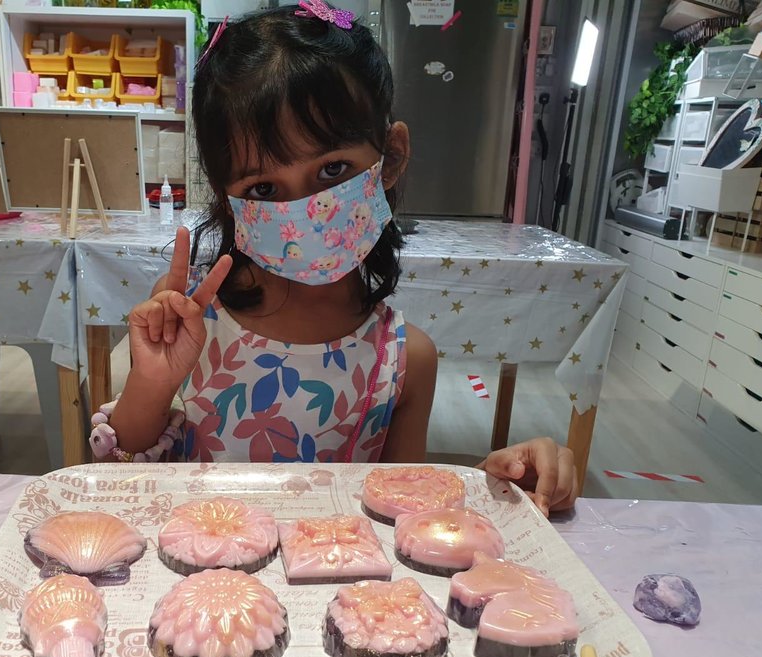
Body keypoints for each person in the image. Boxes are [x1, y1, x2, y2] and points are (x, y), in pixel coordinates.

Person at [91, 5, 577, 515]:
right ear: (226, 198)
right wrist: (151, 383)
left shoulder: (405, 360)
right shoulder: (187, 320)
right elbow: (120, 483)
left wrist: (503, 482)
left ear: (390, 158)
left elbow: (401, 517)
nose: (305, 212)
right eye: (263, 187)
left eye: (333, 171)